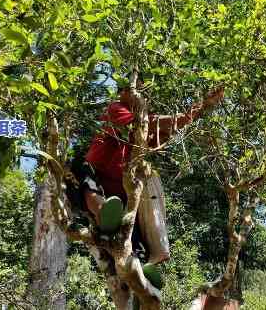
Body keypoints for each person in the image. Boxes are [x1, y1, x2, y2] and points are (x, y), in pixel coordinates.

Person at [76, 83, 225, 264]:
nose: (140, 97)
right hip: (97, 174)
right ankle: (103, 213)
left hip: (122, 191)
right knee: (87, 183)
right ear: (123, 93)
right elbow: (148, 123)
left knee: (133, 239)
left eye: (141, 93)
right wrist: (189, 114)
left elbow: (163, 131)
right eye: (135, 92)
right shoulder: (115, 108)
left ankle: (145, 260)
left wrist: (202, 107)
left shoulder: (142, 135)